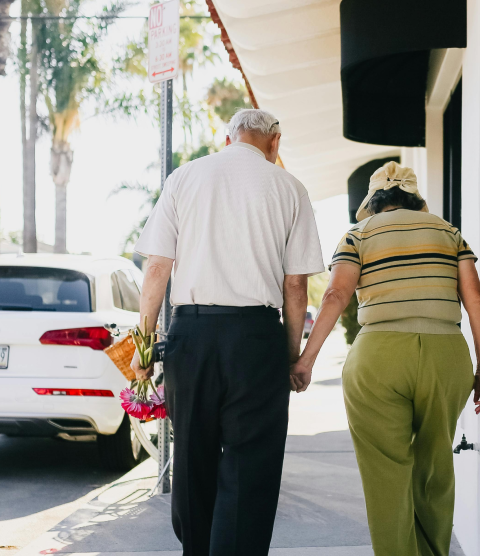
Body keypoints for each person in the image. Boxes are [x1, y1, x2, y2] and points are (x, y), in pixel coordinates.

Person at [131, 108, 325, 556]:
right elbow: (295, 286)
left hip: (191, 336)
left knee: (193, 457)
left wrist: (144, 345)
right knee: (250, 466)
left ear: (227, 139)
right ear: (275, 142)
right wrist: (291, 355)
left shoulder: (184, 178)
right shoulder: (290, 188)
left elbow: (157, 267)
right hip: (257, 339)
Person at [290, 161, 480, 556]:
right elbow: (477, 301)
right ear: (414, 198)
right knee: (435, 467)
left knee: (386, 474)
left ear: (374, 200)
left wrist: (305, 361)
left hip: (378, 358)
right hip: (445, 354)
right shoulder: (449, 233)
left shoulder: (358, 233)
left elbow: (335, 296)